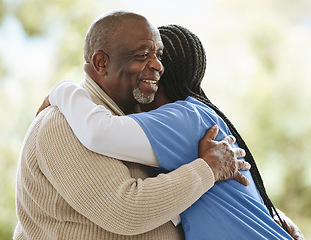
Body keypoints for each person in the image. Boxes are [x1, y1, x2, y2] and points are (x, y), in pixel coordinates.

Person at [39, 24, 304, 240]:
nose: (152, 63)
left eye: (154, 56)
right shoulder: (190, 116)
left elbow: (99, 132)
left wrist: (63, 90)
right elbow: (174, 203)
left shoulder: (182, 118)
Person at [14, 11, 250, 240]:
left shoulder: (141, 122)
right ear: (101, 63)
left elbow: (192, 198)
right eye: (142, 55)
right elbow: (125, 212)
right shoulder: (62, 123)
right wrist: (206, 169)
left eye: (158, 55)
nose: (158, 65)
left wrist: (270, 219)